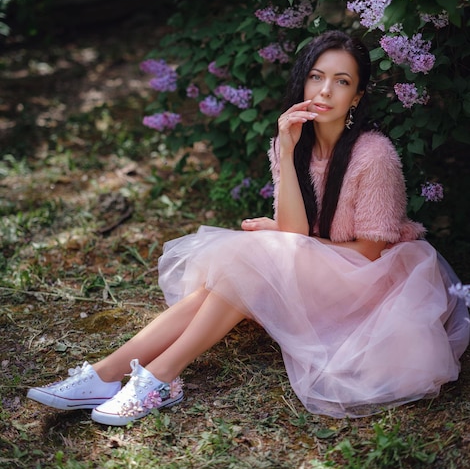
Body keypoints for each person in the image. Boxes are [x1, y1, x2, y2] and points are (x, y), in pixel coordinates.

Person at [27, 30, 469, 426]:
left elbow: (369, 253)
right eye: (317, 77)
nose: (325, 90)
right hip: (321, 267)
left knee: (252, 256)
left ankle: (159, 377)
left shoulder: (374, 155)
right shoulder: (289, 142)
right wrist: (289, 153)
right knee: (234, 274)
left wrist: (281, 240)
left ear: (357, 97)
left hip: (370, 283)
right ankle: (106, 375)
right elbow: (294, 232)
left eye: (342, 81)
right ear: (303, 82)